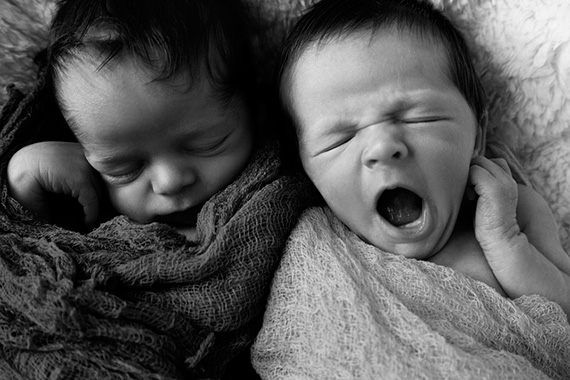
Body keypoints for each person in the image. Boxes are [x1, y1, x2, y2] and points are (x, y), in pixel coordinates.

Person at [276, 0, 570, 316]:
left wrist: (507, 242)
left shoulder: (512, 211)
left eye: (420, 119)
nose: (382, 147)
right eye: (340, 139)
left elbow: (565, 311)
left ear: (477, 136)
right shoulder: (319, 245)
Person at [6, 0, 256, 241]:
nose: (169, 182)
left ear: (256, 108)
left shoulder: (265, 194)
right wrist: (24, 179)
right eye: (124, 168)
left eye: (206, 145)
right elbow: (29, 250)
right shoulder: (93, 206)